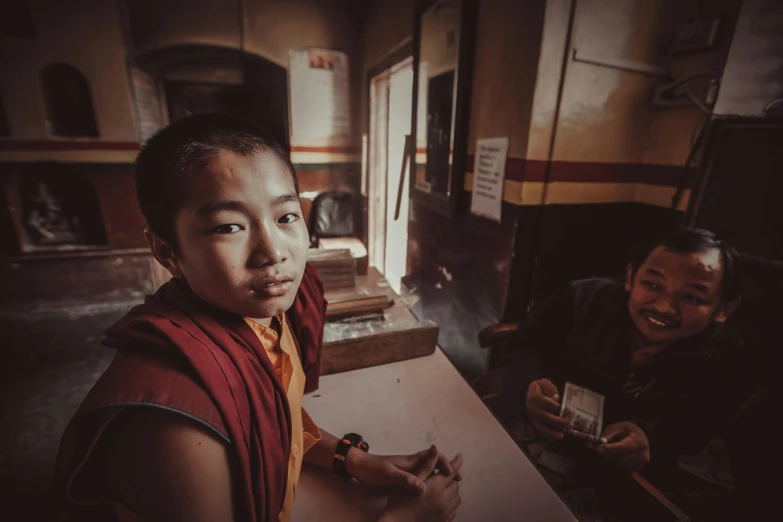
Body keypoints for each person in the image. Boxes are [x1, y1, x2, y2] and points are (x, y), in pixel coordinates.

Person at [52, 113, 463, 522]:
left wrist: (350, 459)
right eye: (229, 227)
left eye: (286, 217)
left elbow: (273, 424)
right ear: (166, 251)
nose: (273, 252)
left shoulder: (266, 315)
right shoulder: (170, 423)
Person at [511, 228, 761, 471]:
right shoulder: (581, 299)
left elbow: (698, 430)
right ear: (630, 277)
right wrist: (528, 387)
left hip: (635, 475)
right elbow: (523, 345)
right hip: (539, 438)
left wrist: (651, 439)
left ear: (724, 309)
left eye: (692, 298)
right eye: (652, 285)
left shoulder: (729, 358)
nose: (664, 308)